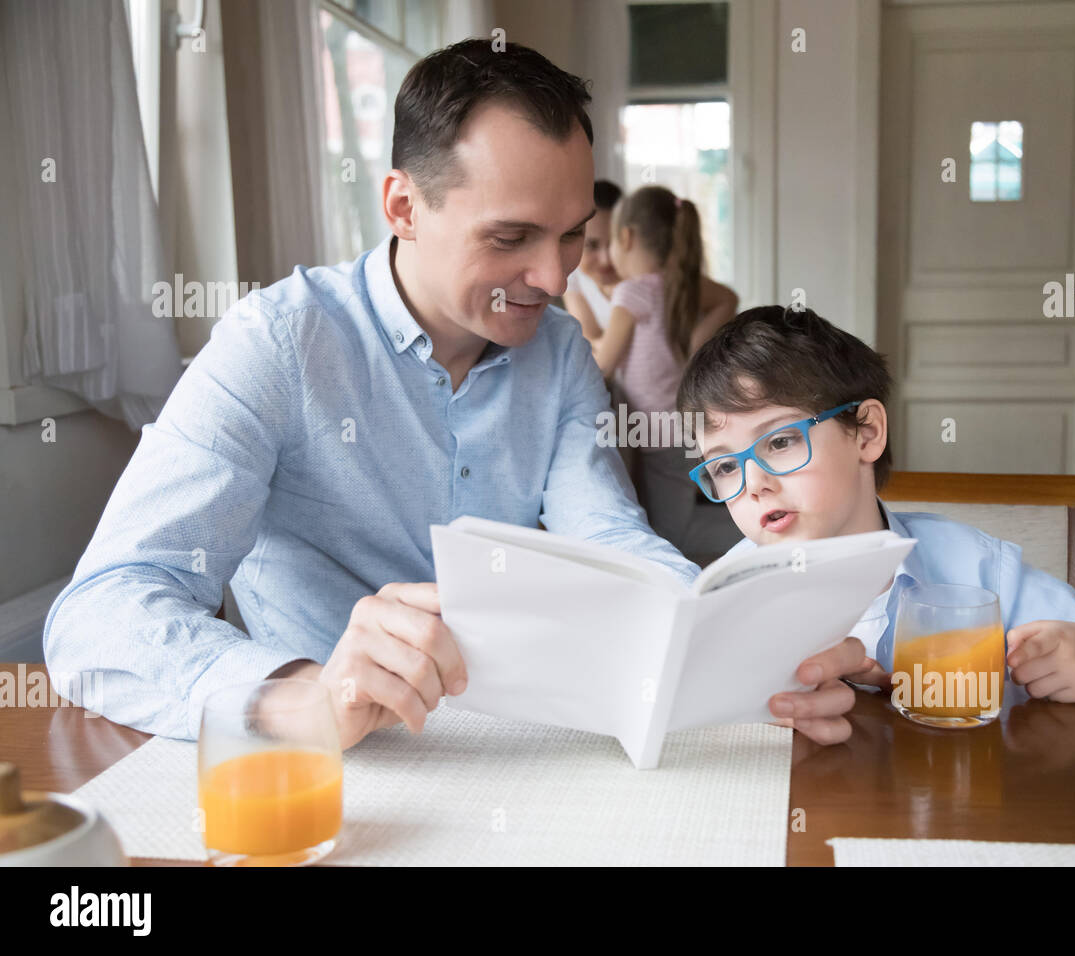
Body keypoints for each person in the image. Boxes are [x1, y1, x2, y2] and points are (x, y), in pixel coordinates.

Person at [43, 40, 857, 751]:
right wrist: (303, 693)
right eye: (511, 238)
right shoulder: (277, 344)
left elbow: (607, 534)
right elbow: (100, 614)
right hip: (338, 768)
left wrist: (740, 643)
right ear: (403, 206)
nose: (555, 277)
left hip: (527, 741)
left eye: (573, 232)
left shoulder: (562, 353)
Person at [676, 306, 1075, 743]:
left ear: (866, 433)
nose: (754, 483)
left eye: (780, 441)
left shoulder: (976, 570)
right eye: (725, 465)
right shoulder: (725, 591)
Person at [587, 185, 740, 558]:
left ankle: (738, 554)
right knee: (671, 511)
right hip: (683, 428)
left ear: (625, 237)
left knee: (670, 529)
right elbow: (728, 299)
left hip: (658, 436)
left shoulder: (631, 293)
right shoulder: (676, 285)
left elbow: (604, 363)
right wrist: (696, 343)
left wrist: (583, 339)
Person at [561, 179, 622, 343]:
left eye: (614, 244)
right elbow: (589, 342)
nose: (605, 259)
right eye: (591, 245)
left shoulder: (647, 279)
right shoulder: (573, 277)